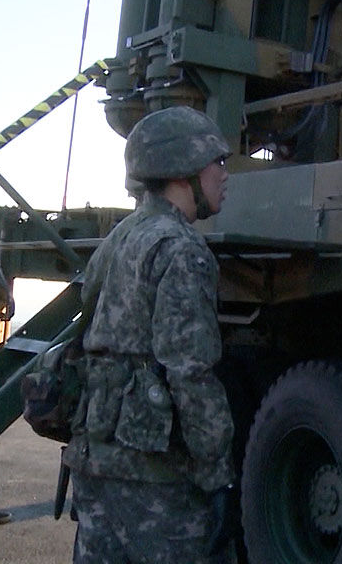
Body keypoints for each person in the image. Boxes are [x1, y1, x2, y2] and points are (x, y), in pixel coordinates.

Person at [63, 106, 237, 563]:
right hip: (155, 477)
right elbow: (190, 372)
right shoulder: (181, 249)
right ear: (183, 170)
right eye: (217, 162)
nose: (225, 174)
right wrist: (219, 476)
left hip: (96, 461)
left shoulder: (119, 238)